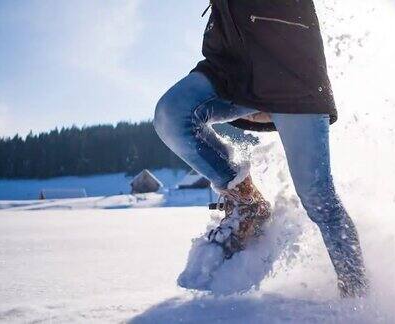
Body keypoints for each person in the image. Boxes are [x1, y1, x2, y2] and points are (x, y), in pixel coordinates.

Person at [153, 0, 368, 298]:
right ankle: (246, 203)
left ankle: (358, 296)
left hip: (292, 76)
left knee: (319, 197)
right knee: (171, 114)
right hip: (233, 70)